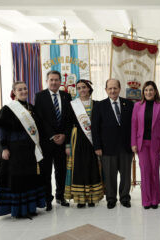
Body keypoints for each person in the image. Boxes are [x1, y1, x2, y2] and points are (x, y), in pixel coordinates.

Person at [0, 81, 45, 218]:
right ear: (14, 92)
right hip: (15, 150)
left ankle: (30, 208)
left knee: (29, 178)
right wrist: (4, 148)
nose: (23, 91)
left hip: (30, 151)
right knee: (17, 179)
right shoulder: (9, 109)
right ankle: (18, 210)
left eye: (25, 89)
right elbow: (3, 130)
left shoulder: (32, 108)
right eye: (20, 89)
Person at [92, 79, 134, 209]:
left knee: (126, 175)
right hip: (107, 148)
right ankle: (111, 198)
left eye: (115, 88)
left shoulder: (129, 104)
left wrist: (134, 144)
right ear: (106, 90)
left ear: (119, 88)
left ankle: (125, 197)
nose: (112, 91)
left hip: (126, 147)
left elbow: (134, 126)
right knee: (109, 175)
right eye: (110, 88)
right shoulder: (99, 106)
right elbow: (95, 128)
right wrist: (97, 146)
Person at [34, 70, 72, 210]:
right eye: (51, 80)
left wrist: (64, 135)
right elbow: (40, 119)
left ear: (60, 81)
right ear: (47, 81)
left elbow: (69, 119)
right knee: (46, 172)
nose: (54, 82)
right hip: (46, 142)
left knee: (61, 171)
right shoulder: (40, 96)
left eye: (57, 80)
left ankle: (60, 197)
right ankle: (47, 199)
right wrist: (52, 136)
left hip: (62, 142)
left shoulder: (66, 96)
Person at [64, 80, 104, 208]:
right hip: (77, 139)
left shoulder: (97, 104)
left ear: (89, 89)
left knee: (92, 166)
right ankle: (80, 198)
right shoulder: (72, 105)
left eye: (84, 87)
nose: (82, 90)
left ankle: (92, 197)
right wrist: (67, 145)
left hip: (93, 138)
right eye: (79, 88)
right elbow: (67, 125)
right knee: (79, 167)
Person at [131, 81, 160, 209]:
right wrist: (133, 143)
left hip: (156, 144)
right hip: (141, 144)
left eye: (151, 90)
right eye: (146, 90)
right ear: (143, 92)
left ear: (155, 91)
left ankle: (155, 200)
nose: (148, 92)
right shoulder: (137, 106)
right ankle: (146, 201)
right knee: (145, 172)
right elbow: (134, 126)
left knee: (154, 172)